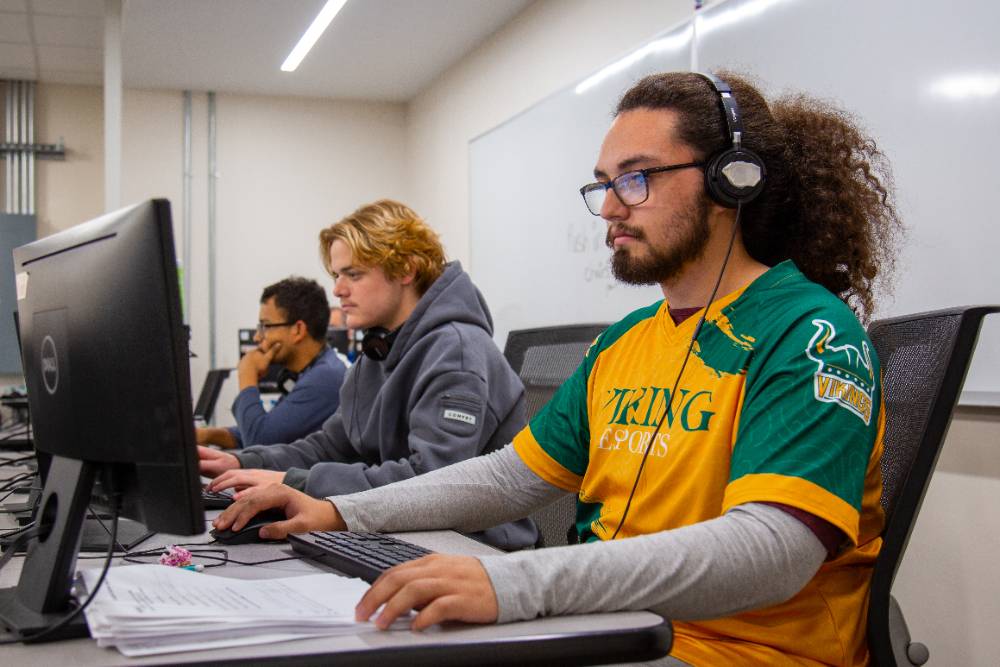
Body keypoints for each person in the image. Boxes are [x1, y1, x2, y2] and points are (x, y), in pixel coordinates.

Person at [214, 72, 902, 664]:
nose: (608, 208)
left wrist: (517, 585)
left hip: (739, 652)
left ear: (733, 179)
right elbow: (511, 475)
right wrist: (337, 511)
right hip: (610, 628)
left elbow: (772, 549)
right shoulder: (626, 342)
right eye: (603, 184)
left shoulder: (810, 334)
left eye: (635, 179)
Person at [201, 200, 536, 550]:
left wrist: (296, 482)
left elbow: (432, 480)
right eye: (336, 275)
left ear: (406, 269)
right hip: (405, 531)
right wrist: (244, 461)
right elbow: (333, 444)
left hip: (477, 548)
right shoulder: (380, 349)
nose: (338, 290)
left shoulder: (457, 352)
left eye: (354, 274)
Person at [197, 277, 346, 449]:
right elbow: (263, 430)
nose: (257, 337)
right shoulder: (311, 371)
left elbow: (259, 442)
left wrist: (247, 375)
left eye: (265, 326)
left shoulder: (325, 377)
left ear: (298, 330)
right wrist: (207, 435)